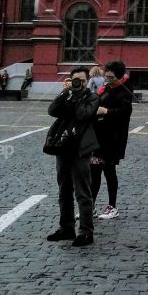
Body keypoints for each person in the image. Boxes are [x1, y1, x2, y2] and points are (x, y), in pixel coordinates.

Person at [47, 67, 104, 246]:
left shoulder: (92, 98)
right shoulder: (68, 95)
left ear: (87, 81)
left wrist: (77, 95)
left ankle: (86, 232)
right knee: (64, 190)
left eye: (82, 80)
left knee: (82, 192)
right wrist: (65, 92)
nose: (79, 83)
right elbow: (52, 110)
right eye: (75, 80)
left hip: (81, 149)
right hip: (63, 147)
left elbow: (82, 115)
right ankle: (67, 228)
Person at [91, 60, 133, 221]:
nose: (107, 74)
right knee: (93, 172)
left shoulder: (125, 90)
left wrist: (106, 111)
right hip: (99, 137)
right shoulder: (106, 88)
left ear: (119, 73)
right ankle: (91, 206)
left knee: (109, 172)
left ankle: (112, 206)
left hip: (113, 139)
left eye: (111, 72)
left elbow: (125, 112)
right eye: (107, 71)